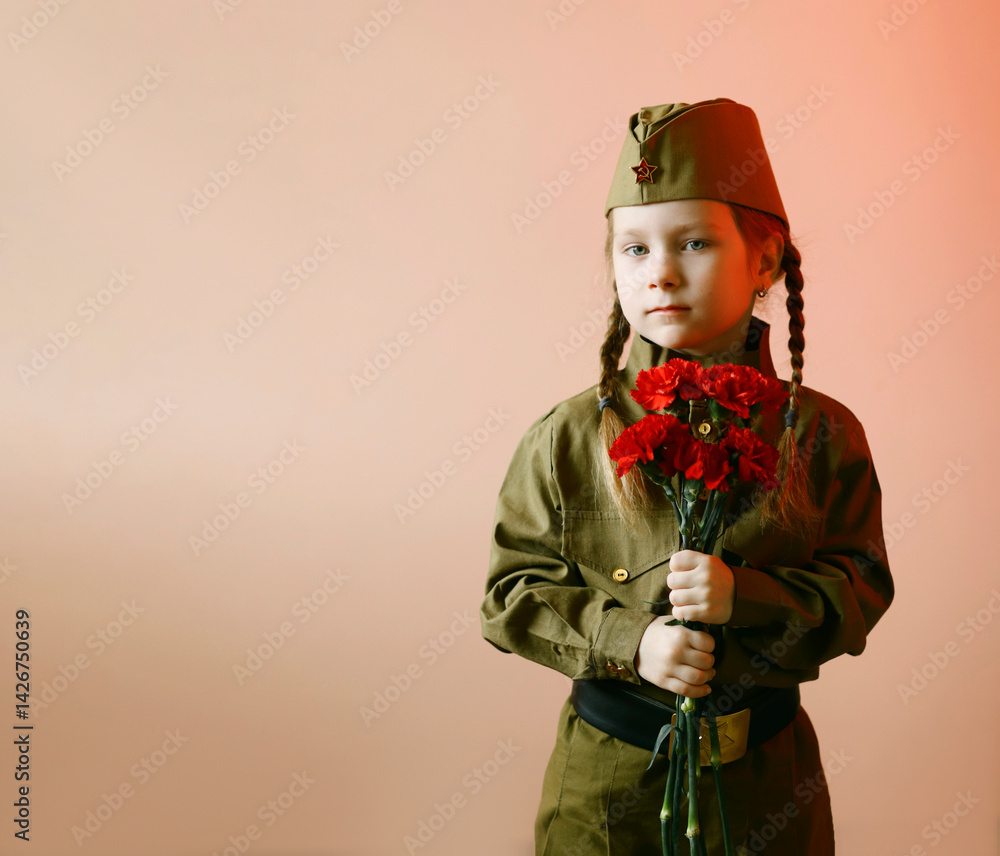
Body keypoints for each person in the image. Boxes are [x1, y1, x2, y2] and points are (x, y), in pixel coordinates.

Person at [480, 99, 894, 855]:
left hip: (769, 791)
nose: (660, 272)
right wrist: (630, 642)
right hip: (606, 801)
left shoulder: (825, 435)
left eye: (694, 242)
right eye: (633, 250)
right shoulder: (568, 437)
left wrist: (749, 597)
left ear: (764, 259)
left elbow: (860, 590)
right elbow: (511, 594)